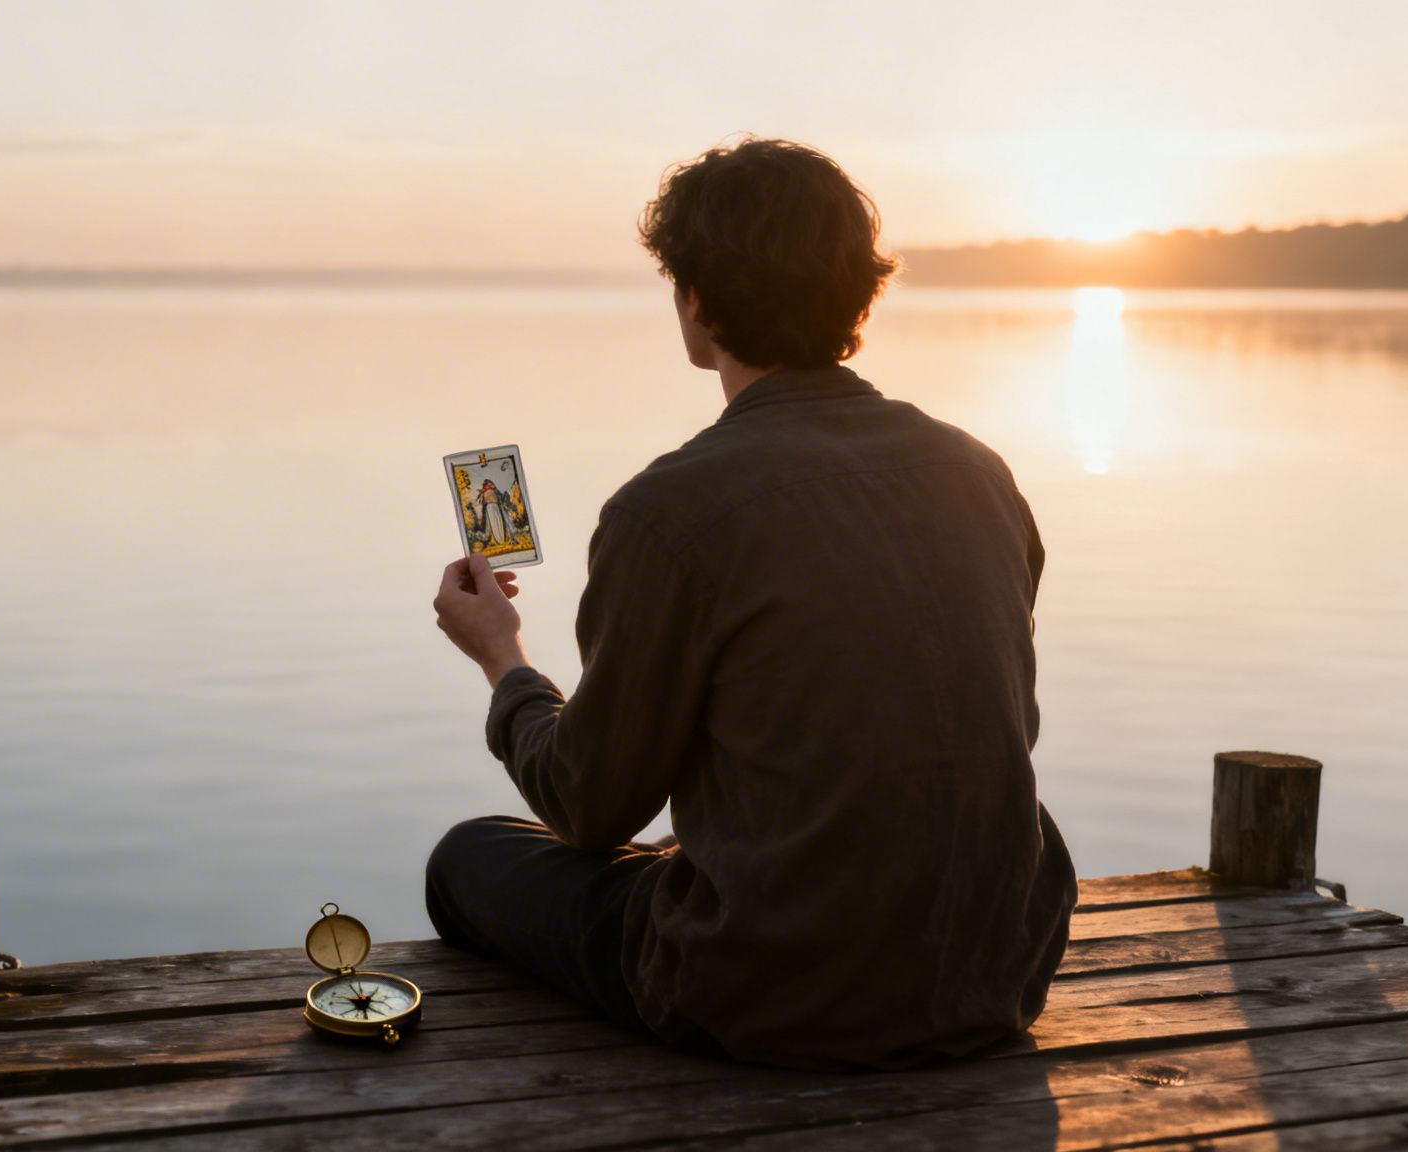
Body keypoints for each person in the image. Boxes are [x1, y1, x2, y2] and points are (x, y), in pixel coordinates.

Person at [426, 137, 1077, 1071]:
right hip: (1001, 968)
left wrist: (503, 658)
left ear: (695, 303)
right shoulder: (981, 475)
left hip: (772, 992)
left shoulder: (668, 512)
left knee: (467, 859)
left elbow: (590, 805)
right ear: (861, 293)